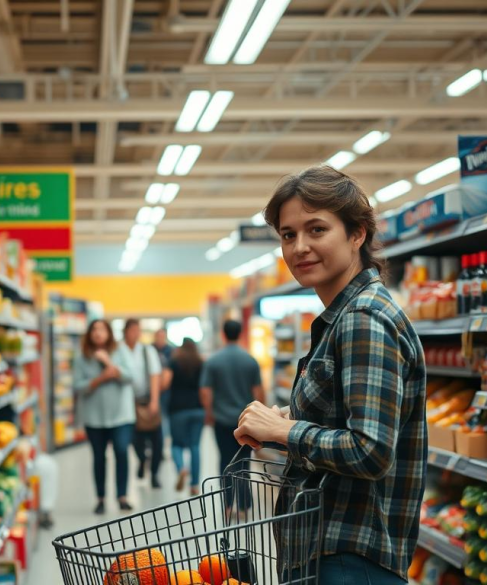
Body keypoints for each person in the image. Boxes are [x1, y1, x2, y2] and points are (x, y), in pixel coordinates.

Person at [234, 165, 427, 584]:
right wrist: (284, 422)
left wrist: (286, 433)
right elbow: (351, 421)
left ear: (357, 233)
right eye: (288, 235)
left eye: (316, 229)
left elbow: (370, 451)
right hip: (331, 555)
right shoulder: (341, 318)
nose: (299, 246)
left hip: (349, 559)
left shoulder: (363, 318)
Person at [72, 319, 136, 514]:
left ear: (109, 332)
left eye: (102, 329)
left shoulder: (121, 351)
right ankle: (100, 498)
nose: (98, 333)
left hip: (121, 417)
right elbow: (78, 387)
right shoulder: (82, 357)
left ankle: (122, 496)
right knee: (99, 458)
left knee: (121, 452)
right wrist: (101, 378)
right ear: (89, 334)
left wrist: (109, 363)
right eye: (94, 330)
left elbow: (130, 376)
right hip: (95, 418)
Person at [200, 319, 264, 510]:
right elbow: (259, 392)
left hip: (221, 420)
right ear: (241, 333)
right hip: (245, 422)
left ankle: (227, 505)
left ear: (223, 334)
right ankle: (244, 507)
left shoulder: (213, 361)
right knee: (244, 463)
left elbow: (205, 392)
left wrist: (209, 413)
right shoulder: (250, 360)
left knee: (225, 461)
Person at [117, 319, 164, 488]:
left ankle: (154, 474)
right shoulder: (119, 351)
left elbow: (155, 375)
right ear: (126, 332)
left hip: (147, 399)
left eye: (138, 330)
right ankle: (142, 460)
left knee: (157, 440)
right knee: (136, 441)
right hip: (129, 403)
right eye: (132, 330)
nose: (135, 333)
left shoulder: (146, 350)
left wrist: (154, 400)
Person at [165, 338, 205, 495]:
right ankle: (194, 484)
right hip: (197, 409)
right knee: (195, 446)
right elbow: (204, 387)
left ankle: (181, 468)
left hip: (177, 409)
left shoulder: (174, 362)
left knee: (176, 444)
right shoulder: (200, 363)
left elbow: (165, 383)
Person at [153, 328, 175, 437]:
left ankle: (165, 436)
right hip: (153, 388)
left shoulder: (170, 351)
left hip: (167, 390)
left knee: (165, 415)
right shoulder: (150, 350)